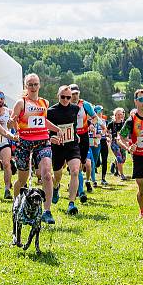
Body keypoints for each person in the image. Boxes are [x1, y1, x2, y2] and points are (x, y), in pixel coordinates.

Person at [11, 73, 59, 224]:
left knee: (46, 174)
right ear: (26, 86)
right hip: (24, 143)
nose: (33, 87)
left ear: (40, 85)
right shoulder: (21, 103)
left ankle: (47, 211)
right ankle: (16, 203)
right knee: (22, 180)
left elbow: (43, 121)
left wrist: (57, 129)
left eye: (35, 84)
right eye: (30, 84)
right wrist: (12, 124)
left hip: (42, 142)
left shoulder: (44, 102)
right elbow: (11, 121)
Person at [48, 85, 83, 216]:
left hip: (72, 146)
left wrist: (76, 135)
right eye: (63, 97)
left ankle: (71, 203)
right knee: (58, 175)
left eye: (68, 97)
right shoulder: (51, 111)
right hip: (58, 147)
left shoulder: (75, 109)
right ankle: (56, 186)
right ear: (58, 96)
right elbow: (46, 130)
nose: (66, 99)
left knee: (74, 171)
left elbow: (73, 126)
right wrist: (51, 137)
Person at [118, 90, 143, 219]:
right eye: (142, 100)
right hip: (139, 156)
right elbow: (120, 137)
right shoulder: (132, 120)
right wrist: (128, 147)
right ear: (136, 102)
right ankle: (142, 211)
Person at [69, 84, 96, 201]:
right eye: (72, 94)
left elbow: (94, 117)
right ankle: (80, 191)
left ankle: (74, 185)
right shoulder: (66, 104)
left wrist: (91, 124)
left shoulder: (85, 105)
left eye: (76, 93)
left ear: (79, 93)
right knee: (77, 166)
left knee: (82, 164)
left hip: (84, 136)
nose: (74, 96)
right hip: (71, 138)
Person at [108, 108, 127, 180]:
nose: (119, 116)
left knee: (123, 159)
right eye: (118, 114)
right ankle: (122, 175)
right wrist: (109, 136)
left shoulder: (125, 123)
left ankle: (114, 163)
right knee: (120, 158)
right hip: (114, 143)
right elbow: (106, 131)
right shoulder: (111, 124)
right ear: (115, 115)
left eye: (121, 114)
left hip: (122, 142)